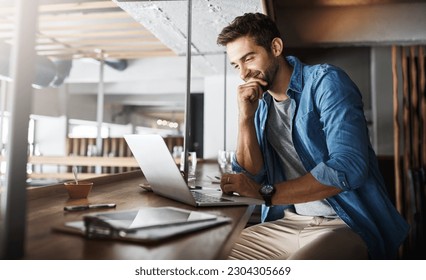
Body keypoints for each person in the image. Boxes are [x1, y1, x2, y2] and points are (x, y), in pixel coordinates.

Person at [217, 12, 409, 260]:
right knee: (217, 257)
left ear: (275, 47)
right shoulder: (261, 104)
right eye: (236, 65)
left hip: (345, 223)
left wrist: (267, 193)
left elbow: (349, 167)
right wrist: (245, 117)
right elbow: (251, 175)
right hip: (289, 221)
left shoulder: (326, 82)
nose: (243, 73)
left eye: (249, 58)